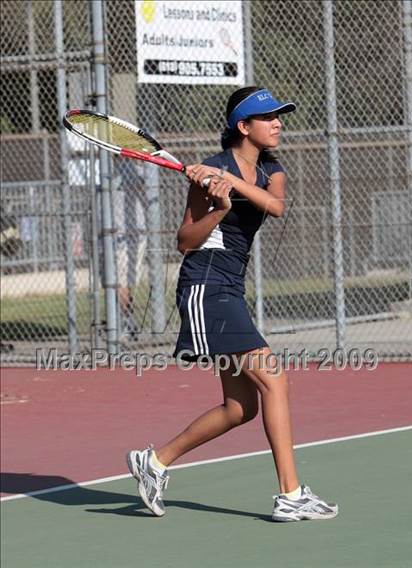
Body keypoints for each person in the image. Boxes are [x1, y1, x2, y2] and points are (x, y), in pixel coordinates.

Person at [126, 86, 338, 522]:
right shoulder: (214, 171)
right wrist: (219, 207)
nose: (278, 122)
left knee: (240, 408)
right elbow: (185, 241)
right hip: (206, 285)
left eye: (280, 115)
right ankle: (291, 495)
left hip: (230, 286)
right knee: (274, 380)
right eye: (268, 117)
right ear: (244, 127)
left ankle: (155, 461)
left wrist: (234, 185)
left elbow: (275, 206)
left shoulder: (270, 169)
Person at [113, 159, 147, 339]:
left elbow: (145, 182)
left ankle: (127, 322)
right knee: (115, 282)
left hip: (129, 234)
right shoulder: (100, 168)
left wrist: (139, 162)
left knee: (121, 282)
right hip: (110, 234)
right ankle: (126, 321)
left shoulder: (131, 167)